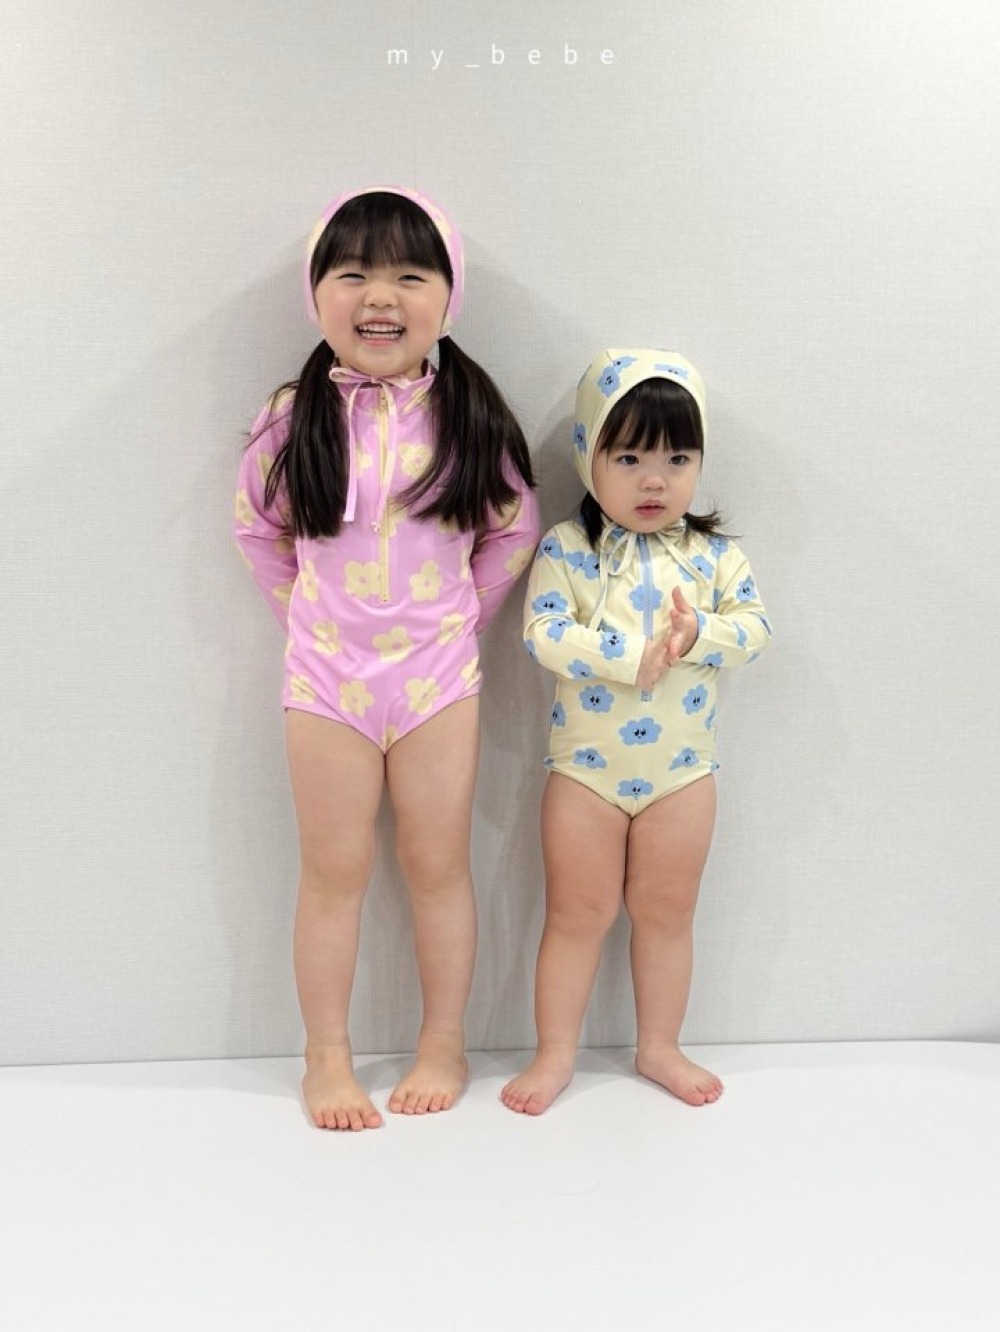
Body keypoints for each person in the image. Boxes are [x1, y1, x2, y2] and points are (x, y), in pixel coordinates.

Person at [235, 186, 538, 1130]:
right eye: (353, 273)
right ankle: (325, 1056)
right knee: (332, 873)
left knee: (438, 866)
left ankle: (443, 1041)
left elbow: (514, 527)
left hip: (438, 681)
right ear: (316, 293)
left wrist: (459, 623)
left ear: (448, 297)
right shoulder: (291, 417)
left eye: (410, 275)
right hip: (324, 682)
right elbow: (257, 528)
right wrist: (308, 622)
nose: (380, 295)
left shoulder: (469, 412)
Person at [501, 349, 771, 1115]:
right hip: (583, 774)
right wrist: (629, 657)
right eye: (629, 458)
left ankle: (659, 1047)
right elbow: (542, 634)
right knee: (576, 915)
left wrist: (697, 635)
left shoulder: (716, 557)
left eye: (677, 459)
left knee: (667, 915)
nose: (655, 480)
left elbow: (756, 631)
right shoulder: (568, 549)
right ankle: (555, 1053)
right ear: (589, 458)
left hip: (682, 775)